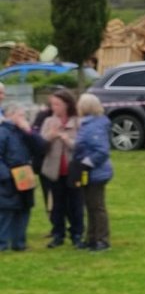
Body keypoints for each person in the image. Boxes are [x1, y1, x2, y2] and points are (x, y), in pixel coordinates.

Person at [39, 89, 84, 249]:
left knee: (75, 204)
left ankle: (77, 234)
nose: (54, 107)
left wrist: (67, 139)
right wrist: (50, 136)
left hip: (73, 171)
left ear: (67, 104)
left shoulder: (78, 122)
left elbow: (82, 147)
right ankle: (58, 234)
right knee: (57, 204)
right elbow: (40, 146)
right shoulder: (48, 122)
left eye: (57, 104)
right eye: (52, 104)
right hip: (54, 170)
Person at [74, 94, 113, 252]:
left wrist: (86, 163)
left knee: (97, 206)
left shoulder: (94, 126)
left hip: (96, 172)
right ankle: (91, 238)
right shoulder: (90, 124)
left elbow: (102, 150)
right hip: (89, 171)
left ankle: (102, 239)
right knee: (90, 205)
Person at [0, 102, 41, 251]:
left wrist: (29, 131)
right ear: (10, 116)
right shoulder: (3, 132)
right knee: (6, 211)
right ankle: (2, 244)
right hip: (9, 177)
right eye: (20, 115)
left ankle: (19, 243)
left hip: (25, 175)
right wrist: (7, 176)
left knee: (24, 209)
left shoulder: (24, 132)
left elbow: (40, 147)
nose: (24, 118)